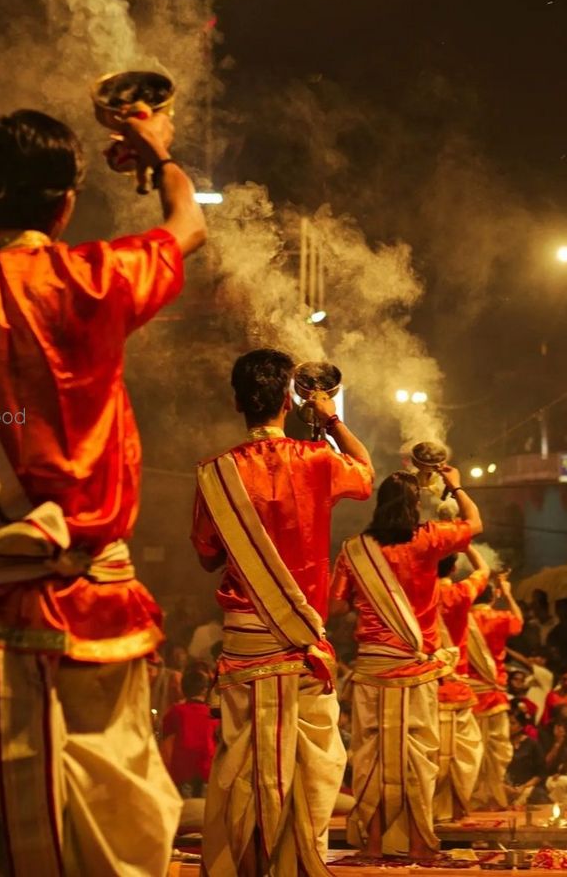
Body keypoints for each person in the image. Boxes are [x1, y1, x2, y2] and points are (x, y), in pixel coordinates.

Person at [0, 108, 206, 876]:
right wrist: (158, 156)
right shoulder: (96, 279)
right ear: (67, 202)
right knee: (117, 806)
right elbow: (188, 225)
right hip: (98, 607)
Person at [192, 348, 374, 876]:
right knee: (311, 769)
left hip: (246, 644)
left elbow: (207, 556)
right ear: (290, 401)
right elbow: (364, 475)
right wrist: (331, 418)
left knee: (240, 765)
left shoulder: (215, 474)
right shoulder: (318, 459)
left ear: (236, 401)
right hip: (300, 647)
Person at [330, 466, 481, 859]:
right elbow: (475, 524)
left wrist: (365, 608)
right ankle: (419, 845)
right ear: (415, 506)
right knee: (418, 759)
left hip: (371, 671)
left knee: (369, 760)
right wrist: (455, 484)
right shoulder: (428, 539)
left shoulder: (354, 549)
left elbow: (335, 604)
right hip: (417, 672)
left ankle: (373, 845)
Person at [432, 545, 490, 822]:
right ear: (454, 568)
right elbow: (484, 571)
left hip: (427, 686)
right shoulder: (462, 593)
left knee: (431, 755)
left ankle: (427, 813)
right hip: (459, 687)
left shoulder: (416, 596)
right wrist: (466, 545)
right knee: (463, 754)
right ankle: (456, 810)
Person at [466, 568, 524, 810]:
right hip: (493, 696)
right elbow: (519, 623)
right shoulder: (500, 617)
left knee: (470, 750)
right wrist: (508, 595)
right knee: (497, 751)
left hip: (467, 697)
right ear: (492, 597)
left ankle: (470, 799)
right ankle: (491, 798)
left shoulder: (462, 619)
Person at [160, 668, 217, 798]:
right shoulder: (213, 714)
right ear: (205, 690)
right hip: (207, 773)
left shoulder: (176, 711)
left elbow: (166, 743)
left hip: (182, 773)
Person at [503, 706, 549, 806]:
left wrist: (523, 787)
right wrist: (505, 787)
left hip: (527, 787)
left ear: (521, 726)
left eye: (512, 723)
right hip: (504, 788)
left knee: (538, 795)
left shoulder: (532, 744)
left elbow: (540, 774)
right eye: (506, 723)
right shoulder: (501, 745)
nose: (508, 726)